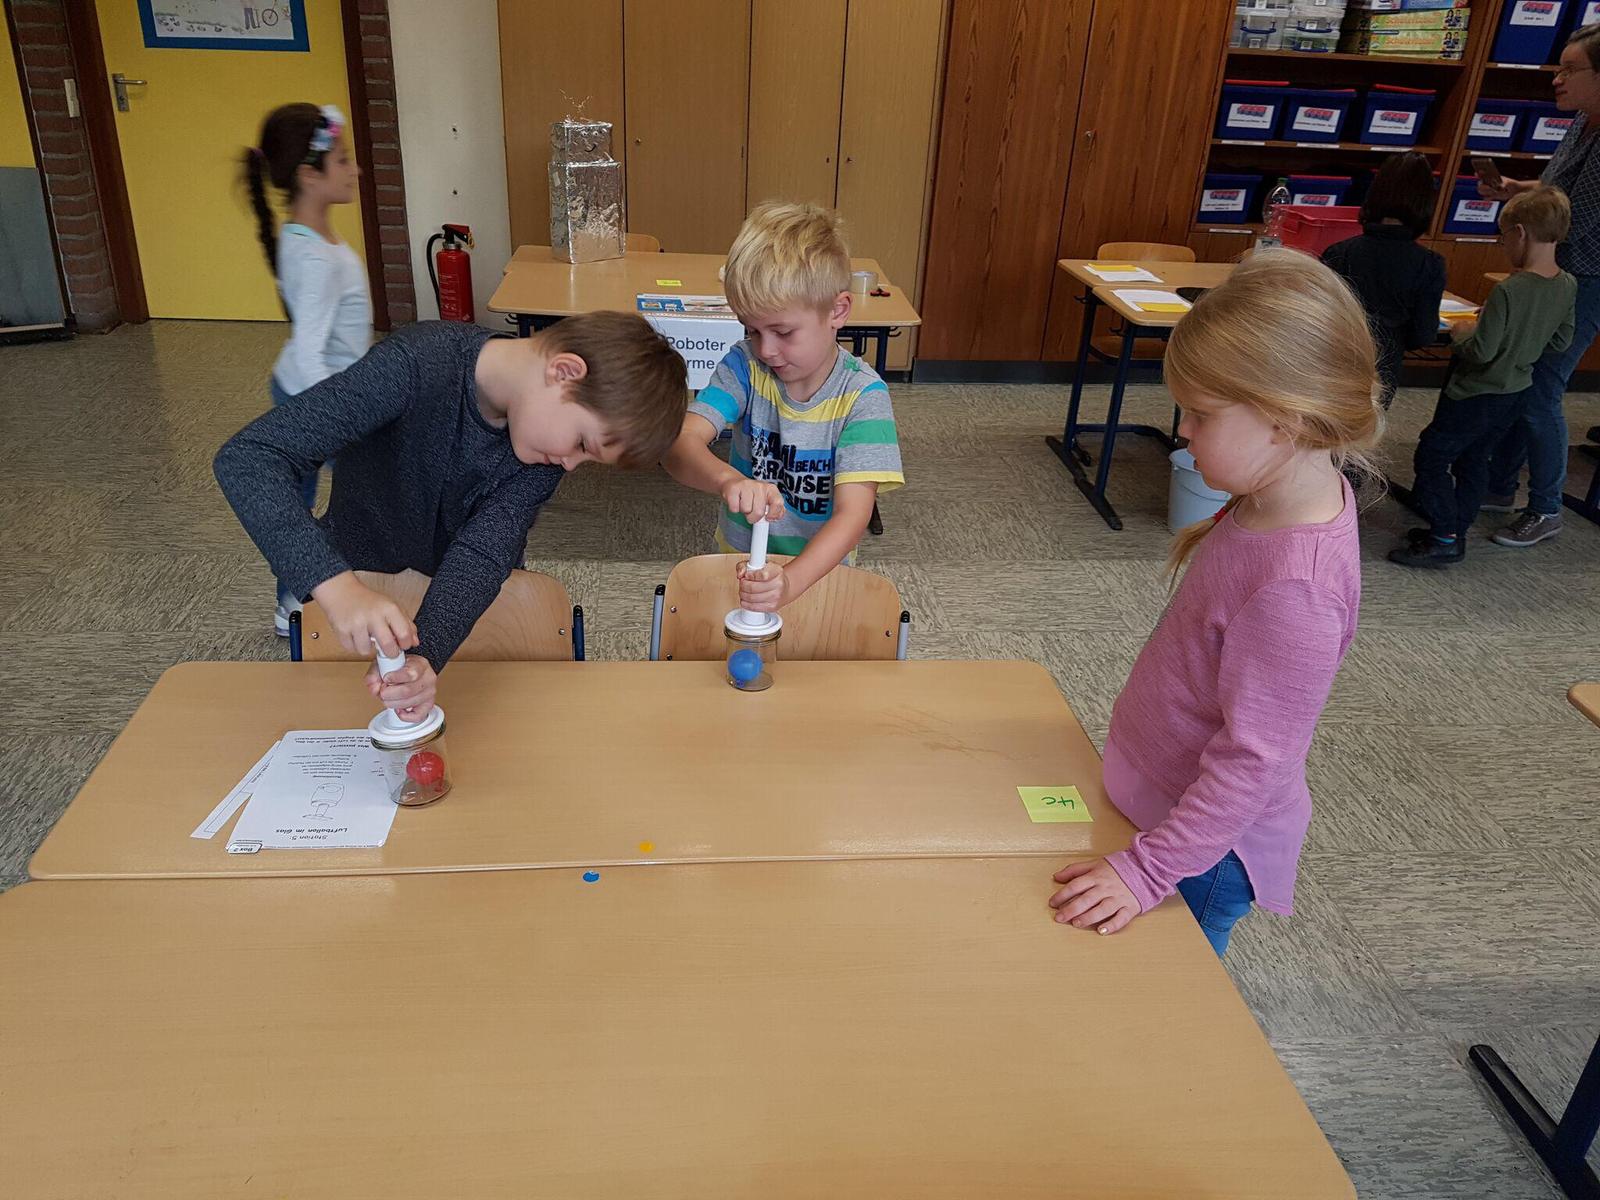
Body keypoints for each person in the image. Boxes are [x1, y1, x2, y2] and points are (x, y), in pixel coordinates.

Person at [1046, 252, 1379, 956]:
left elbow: (1254, 761)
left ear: (1285, 421)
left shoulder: (1296, 589)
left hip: (1198, 857)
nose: (1184, 432)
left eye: (1200, 415)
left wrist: (1147, 871)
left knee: (1170, 998)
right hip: (1160, 807)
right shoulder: (1270, 495)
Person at [214, 313, 687, 721]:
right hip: (351, 606)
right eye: (582, 444)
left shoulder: (539, 455)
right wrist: (337, 588)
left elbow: (482, 555)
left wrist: (425, 658)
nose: (569, 464)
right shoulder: (418, 363)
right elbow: (250, 458)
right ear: (564, 372)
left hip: (462, 624)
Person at [661, 201, 904, 612]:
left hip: (818, 575)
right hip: (739, 566)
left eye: (783, 331)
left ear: (837, 311)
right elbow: (679, 445)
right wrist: (728, 481)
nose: (766, 350)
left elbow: (852, 515)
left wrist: (791, 582)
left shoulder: (864, 397)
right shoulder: (744, 366)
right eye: (752, 330)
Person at [1390, 188, 1575, 569]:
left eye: (1503, 236)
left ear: (1520, 233)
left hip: (1474, 392)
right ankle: (1455, 529)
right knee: (1475, 459)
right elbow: (1561, 340)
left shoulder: (1509, 290)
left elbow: (1481, 352)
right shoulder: (1567, 284)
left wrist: (1463, 333)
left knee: (1433, 456)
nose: (1503, 245)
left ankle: (1444, 536)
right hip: (1516, 391)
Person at [242, 102, 373, 636]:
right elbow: (308, 352)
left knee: (305, 504)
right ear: (308, 176)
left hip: (306, 391)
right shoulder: (317, 257)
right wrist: (342, 419)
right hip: (317, 397)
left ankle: (294, 603)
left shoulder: (302, 238)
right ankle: (299, 605)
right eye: (342, 160)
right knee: (356, 499)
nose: (355, 169)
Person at [1477, 21, 1600, 546]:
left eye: (1571, 70)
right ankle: (1500, 485)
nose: (1557, 78)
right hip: (1552, 268)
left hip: (1584, 277)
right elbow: (1557, 189)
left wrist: (1523, 219)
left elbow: (1577, 218)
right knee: (1520, 376)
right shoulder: (1584, 122)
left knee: (1542, 387)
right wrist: (1517, 188)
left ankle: (1546, 508)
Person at [1321, 151, 1448, 407]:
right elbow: (1423, 334)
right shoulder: (1429, 264)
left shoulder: (1339, 253)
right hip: (1384, 367)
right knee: (1368, 422)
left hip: (1333, 362)